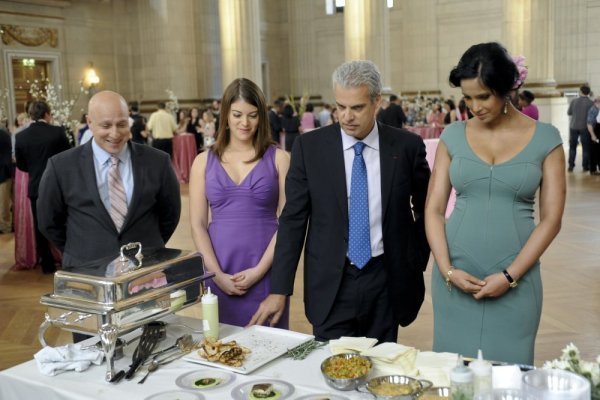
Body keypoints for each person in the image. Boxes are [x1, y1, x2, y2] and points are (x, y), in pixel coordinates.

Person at [249, 60, 431, 343]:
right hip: (331, 285)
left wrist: (416, 258)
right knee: (331, 371)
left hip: (386, 281)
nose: (346, 116)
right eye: (340, 106)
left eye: (357, 107)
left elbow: (427, 208)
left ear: (377, 102)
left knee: (380, 371)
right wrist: (279, 289)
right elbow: (293, 220)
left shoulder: (406, 147)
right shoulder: (310, 148)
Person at [425, 42, 566, 365]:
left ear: (505, 88)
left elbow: (551, 220)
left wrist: (510, 276)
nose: (475, 106)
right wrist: (447, 270)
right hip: (455, 277)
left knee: (510, 377)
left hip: (517, 279)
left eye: (483, 96)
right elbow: (433, 209)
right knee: (453, 376)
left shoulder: (547, 139)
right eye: (468, 98)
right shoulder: (452, 136)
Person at [37, 90, 181, 269]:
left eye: (122, 124)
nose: (115, 134)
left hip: (146, 267)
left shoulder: (158, 161)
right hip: (86, 269)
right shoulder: (61, 166)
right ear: (89, 122)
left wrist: (150, 243)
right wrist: (79, 248)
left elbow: (170, 214)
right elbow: (48, 221)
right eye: (106, 126)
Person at [189, 78, 290, 328]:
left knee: (271, 350)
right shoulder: (203, 161)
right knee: (221, 350)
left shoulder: (280, 159)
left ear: (261, 117)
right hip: (219, 267)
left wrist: (259, 270)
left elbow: (288, 223)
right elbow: (198, 225)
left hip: (266, 268)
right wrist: (216, 275)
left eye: (252, 115)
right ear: (225, 115)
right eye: (237, 115)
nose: (244, 123)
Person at [15, 100, 70, 274]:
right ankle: (69, 259)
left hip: (35, 187)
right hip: (59, 186)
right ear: (47, 114)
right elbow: (68, 158)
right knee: (66, 222)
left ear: (31, 115)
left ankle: (47, 264)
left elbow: (21, 166)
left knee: (41, 226)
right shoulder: (57, 132)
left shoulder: (21, 137)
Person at [567, 85, 594, 172]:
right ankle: (585, 166)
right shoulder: (591, 103)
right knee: (586, 148)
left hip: (573, 126)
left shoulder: (574, 101)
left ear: (580, 91)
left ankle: (571, 166)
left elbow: (569, 113)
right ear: (588, 92)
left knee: (572, 147)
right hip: (585, 127)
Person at [0, 126, 12, 234]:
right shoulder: (4, 133)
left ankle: (5, 227)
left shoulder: (2, 134)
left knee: (4, 201)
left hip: (3, 172)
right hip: (7, 170)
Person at [586, 96, 600, 175]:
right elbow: (589, 124)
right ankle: (593, 169)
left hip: (597, 130)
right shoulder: (593, 110)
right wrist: (593, 135)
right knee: (594, 152)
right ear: (597, 102)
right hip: (595, 132)